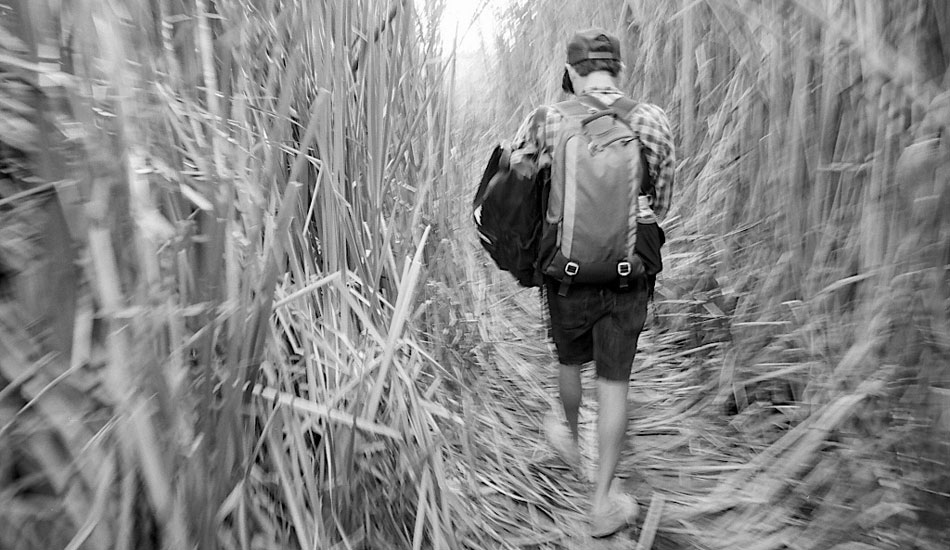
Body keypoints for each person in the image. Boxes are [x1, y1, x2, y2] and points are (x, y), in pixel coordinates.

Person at [509, 28, 675, 537]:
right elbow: (662, 203)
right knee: (615, 385)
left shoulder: (548, 119)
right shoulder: (651, 120)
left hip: (567, 275)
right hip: (628, 277)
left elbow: (517, 175)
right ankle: (603, 502)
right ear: (617, 70)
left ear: (572, 72)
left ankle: (567, 435)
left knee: (569, 360)